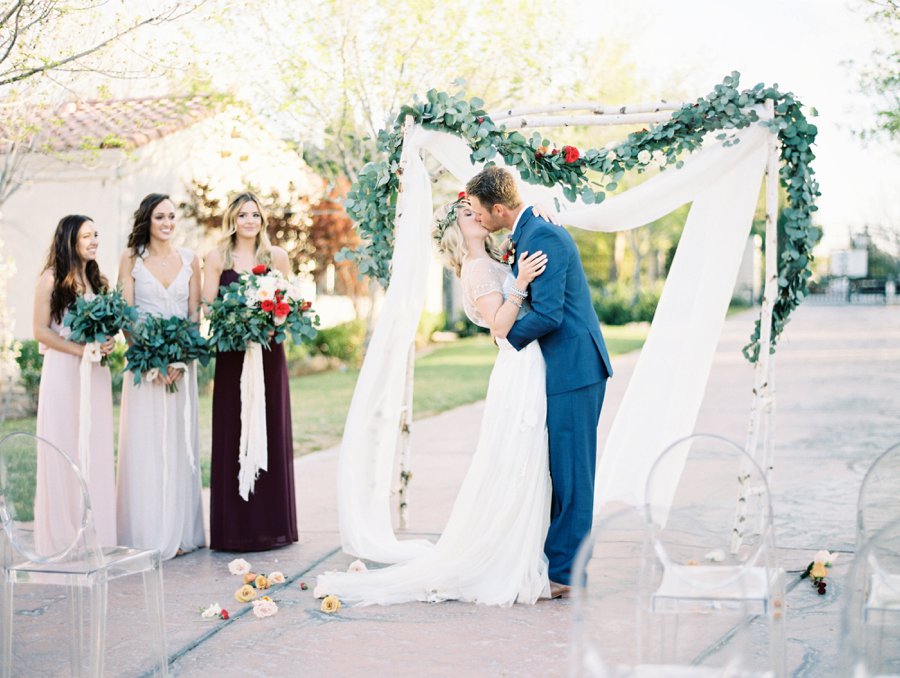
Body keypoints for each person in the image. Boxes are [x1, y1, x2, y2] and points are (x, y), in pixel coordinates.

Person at [315, 197, 553, 606]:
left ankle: (529, 547)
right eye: (466, 214)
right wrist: (522, 282)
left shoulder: (499, 255)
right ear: (455, 231)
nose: (477, 215)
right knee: (517, 457)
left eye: (476, 210)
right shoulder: (477, 269)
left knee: (527, 458)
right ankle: (508, 556)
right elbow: (499, 326)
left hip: (531, 360)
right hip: (517, 363)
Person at [466, 166, 613, 597]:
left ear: (497, 208)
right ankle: (556, 562)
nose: (476, 218)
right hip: (562, 366)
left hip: (575, 366)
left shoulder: (541, 235)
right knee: (559, 470)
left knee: (573, 474)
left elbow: (549, 314)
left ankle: (567, 576)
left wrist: (504, 334)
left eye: (477, 210)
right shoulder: (528, 231)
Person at [204, 192, 298, 551]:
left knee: (270, 429)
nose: (249, 221)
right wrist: (239, 319)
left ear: (262, 220)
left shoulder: (276, 257)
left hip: (269, 353)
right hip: (232, 354)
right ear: (232, 219)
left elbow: (286, 305)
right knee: (232, 429)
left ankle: (272, 526)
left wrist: (270, 318)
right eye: (242, 215)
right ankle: (235, 530)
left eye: (255, 215)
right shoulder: (216, 258)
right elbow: (209, 308)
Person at [115, 193, 205, 559]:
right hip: (144, 369)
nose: (167, 223)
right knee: (147, 445)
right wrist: (152, 360)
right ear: (146, 221)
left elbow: (194, 315)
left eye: (171, 216)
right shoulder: (131, 259)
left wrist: (179, 359)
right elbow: (127, 316)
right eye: (159, 217)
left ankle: (181, 531)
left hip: (181, 368)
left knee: (179, 443)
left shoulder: (190, 260)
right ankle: (148, 531)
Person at [32, 215, 117, 553]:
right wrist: (80, 350)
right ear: (70, 241)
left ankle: (95, 532)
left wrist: (106, 343)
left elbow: (103, 326)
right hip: (64, 373)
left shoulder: (95, 278)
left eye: (96, 234)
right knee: (64, 445)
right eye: (87, 236)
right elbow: (40, 331)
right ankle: (63, 536)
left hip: (94, 375)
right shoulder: (50, 279)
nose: (94, 241)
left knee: (94, 447)